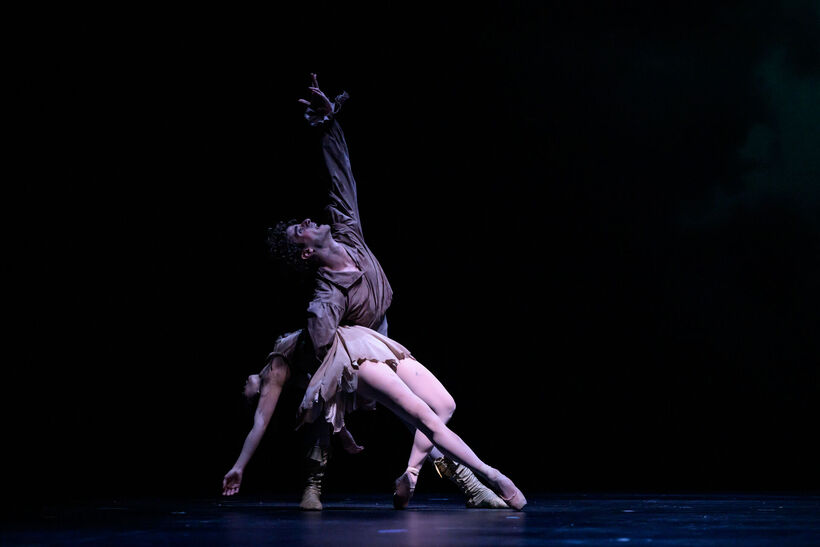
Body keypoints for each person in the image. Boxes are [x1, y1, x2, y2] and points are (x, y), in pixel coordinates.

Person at [223, 74, 506, 510]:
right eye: (300, 230)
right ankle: (317, 483)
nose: (308, 220)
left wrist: (327, 124)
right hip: (349, 358)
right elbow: (321, 363)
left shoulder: (347, 233)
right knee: (376, 409)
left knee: (436, 408)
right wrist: (341, 421)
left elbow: (342, 178)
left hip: (380, 337)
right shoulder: (325, 300)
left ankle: (425, 475)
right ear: (304, 254)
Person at [223, 325, 527, 511]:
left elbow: (324, 397)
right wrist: (238, 467)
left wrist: (343, 432)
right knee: (423, 419)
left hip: (364, 343)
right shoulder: (277, 373)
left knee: (442, 407)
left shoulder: (283, 360)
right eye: (251, 396)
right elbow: (262, 423)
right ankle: (485, 478)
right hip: (357, 356)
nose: (247, 388)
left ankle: (422, 474)